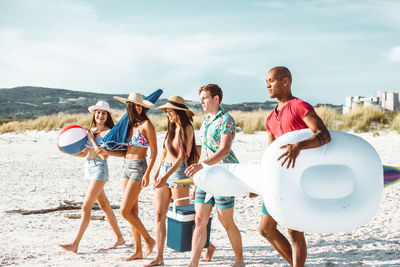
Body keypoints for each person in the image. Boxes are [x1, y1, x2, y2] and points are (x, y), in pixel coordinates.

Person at [259, 66, 331, 267]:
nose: (267, 85)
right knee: (266, 229)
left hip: (298, 178)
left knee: (294, 230)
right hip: (278, 178)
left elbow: (324, 135)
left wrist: (299, 146)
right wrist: (259, 183)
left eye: (271, 80)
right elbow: (270, 154)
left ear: (286, 81)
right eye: (266, 81)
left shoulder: (300, 106)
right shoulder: (270, 118)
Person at [185, 84, 245, 267]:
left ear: (216, 99)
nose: (201, 101)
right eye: (201, 98)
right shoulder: (205, 121)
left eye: (205, 97)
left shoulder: (226, 119)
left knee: (225, 220)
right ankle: (192, 263)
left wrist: (201, 165)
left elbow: (225, 150)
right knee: (199, 219)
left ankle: (239, 260)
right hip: (205, 175)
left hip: (223, 175)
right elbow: (204, 151)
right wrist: (197, 181)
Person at [59, 101, 125, 253]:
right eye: (98, 112)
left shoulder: (109, 132)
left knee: (86, 206)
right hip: (88, 168)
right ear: (94, 114)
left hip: (99, 170)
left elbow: (107, 154)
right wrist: (67, 151)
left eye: (104, 113)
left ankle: (75, 244)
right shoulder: (90, 130)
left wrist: (95, 141)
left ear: (107, 116)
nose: (100, 115)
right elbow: (84, 154)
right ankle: (120, 238)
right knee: (104, 205)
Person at [100, 92, 157, 261]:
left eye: (140, 105)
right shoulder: (130, 125)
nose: (138, 108)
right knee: (133, 211)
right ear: (129, 107)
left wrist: (148, 174)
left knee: (124, 211)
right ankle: (138, 250)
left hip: (139, 168)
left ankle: (149, 240)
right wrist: (107, 152)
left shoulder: (147, 125)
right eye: (134, 105)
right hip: (126, 166)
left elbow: (154, 152)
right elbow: (125, 151)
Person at [145, 96, 199, 267]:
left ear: (179, 112)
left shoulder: (187, 128)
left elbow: (182, 156)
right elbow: (163, 152)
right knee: (160, 215)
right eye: (167, 111)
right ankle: (159, 257)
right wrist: (158, 172)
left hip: (178, 174)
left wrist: (166, 176)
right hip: (165, 171)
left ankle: (207, 245)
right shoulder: (171, 127)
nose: (168, 114)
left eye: (170, 111)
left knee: (184, 216)